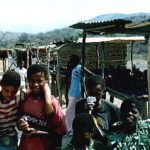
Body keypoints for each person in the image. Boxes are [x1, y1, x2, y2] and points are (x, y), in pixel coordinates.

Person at [17, 64, 66, 150]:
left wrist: (39, 133)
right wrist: (20, 125)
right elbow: (19, 121)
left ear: (46, 80)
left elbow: (60, 132)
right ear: (28, 80)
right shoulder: (25, 99)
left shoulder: (52, 104)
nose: (35, 84)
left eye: (39, 81)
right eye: (32, 81)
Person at [65, 54, 94, 135]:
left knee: (69, 112)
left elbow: (90, 74)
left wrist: (96, 78)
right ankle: (72, 129)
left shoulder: (79, 67)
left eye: (71, 59)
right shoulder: (73, 68)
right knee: (73, 112)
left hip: (76, 93)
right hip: (72, 92)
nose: (69, 61)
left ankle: (70, 130)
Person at [0, 70, 21, 150]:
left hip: (11, 138)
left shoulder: (18, 97)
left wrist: (48, 101)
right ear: (1, 85)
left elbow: (44, 86)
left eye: (13, 92)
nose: (9, 94)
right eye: (6, 91)